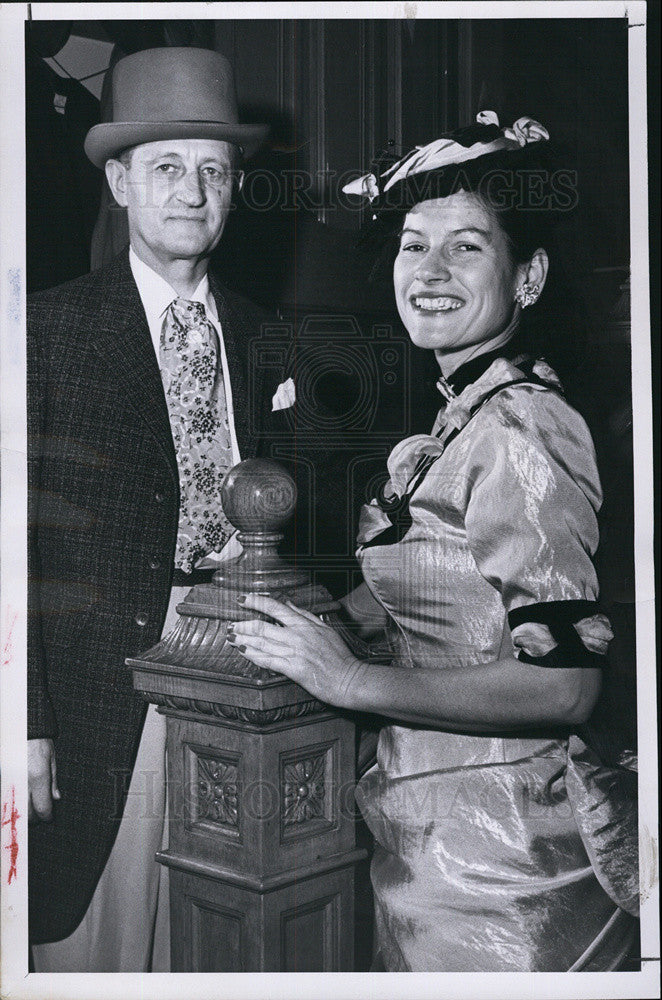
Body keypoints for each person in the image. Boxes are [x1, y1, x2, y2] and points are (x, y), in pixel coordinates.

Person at [227, 112, 639, 972]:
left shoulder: (521, 429)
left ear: (528, 278)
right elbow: (438, 596)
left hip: (507, 872)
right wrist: (282, 605)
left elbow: (565, 686)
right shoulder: (462, 420)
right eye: (415, 246)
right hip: (430, 847)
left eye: (467, 247)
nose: (431, 272)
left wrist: (348, 678)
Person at [27, 46, 287, 971]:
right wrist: (26, 724)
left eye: (213, 171)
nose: (192, 190)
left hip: (242, 670)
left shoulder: (266, 336)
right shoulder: (44, 332)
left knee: (210, 934)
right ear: (120, 180)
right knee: (95, 941)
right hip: (101, 683)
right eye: (167, 167)